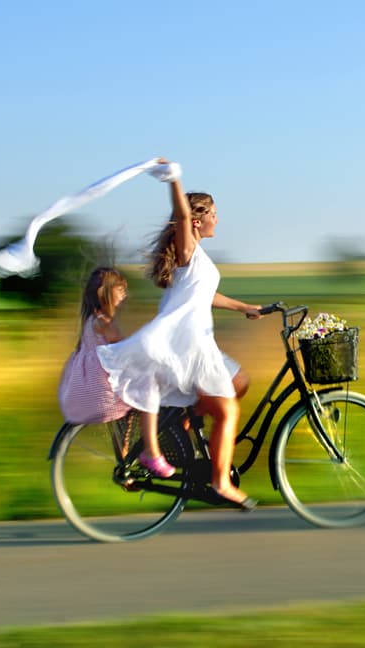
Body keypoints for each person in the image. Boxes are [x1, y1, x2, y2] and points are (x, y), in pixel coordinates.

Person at [97, 158, 263, 511]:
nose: (218, 219)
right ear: (198, 220)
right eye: (213, 213)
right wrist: (174, 179)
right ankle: (220, 483)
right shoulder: (187, 250)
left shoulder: (195, 261)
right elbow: (182, 215)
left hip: (198, 346)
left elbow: (207, 297)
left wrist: (245, 307)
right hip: (186, 348)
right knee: (228, 412)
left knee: (240, 382)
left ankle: (185, 425)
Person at [58, 267, 132, 424]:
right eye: (120, 290)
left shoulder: (91, 320)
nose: (124, 295)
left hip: (86, 390)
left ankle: (126, 446)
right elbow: (121, 346)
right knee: (145, 395)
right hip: (101, 392)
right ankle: (149, 445)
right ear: (106, 293)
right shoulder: (103, 322)